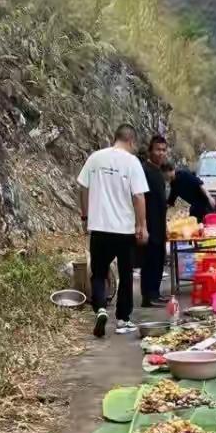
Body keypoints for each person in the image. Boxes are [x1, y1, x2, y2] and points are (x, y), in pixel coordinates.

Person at [78, 124, 149, 338]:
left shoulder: (95, 158)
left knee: (98, 273)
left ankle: (100, 308)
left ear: (114, 137)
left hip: (99, 227)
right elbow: (138, 196)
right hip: (124, 230)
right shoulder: (132, 162)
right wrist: (142, 225)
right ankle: (123, 319)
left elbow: (83, 187)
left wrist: (85, 216)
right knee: (126, 275)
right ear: (131, 141)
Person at [140, 134, 169, 307]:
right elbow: (140, 198)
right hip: (149, 223)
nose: (161, 153)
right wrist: (142, 225)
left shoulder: (158, 171)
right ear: (150, 150)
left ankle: (155, 293)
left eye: (164, 150)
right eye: (158, 149)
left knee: (159, 259)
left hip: (159, 223)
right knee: (149, 260)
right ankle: (148, 296)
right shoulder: (144, 170)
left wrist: (165, 225)